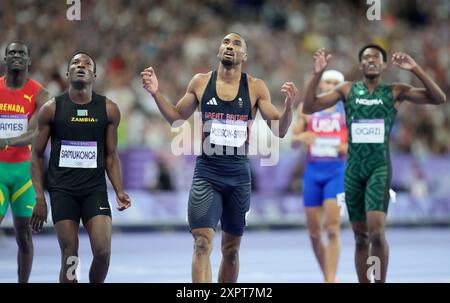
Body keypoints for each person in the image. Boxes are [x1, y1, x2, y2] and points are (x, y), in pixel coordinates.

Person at [141, 32, 298, 283]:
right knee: (202, 243)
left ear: (244, 56)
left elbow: (279, 130)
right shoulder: (201, 82)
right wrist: (156, 93)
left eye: (236, 43)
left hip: (238, 177)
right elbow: (176, 118)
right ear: (218, 50)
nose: (229, 46)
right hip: (207, 174)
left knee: (231, 251)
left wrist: (289, 108)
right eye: (226, 42)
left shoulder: (256, 87)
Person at [302, 45, 446, 283]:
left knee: (377, 233)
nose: (371, 61)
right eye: (366, 58)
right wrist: (317, 74)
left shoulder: (394, 91)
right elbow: (308, 106)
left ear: (384, 65)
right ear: (360, 65)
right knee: (360, 238)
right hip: (353, 171)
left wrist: (415, 69)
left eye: (376, 58)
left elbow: (438, 98)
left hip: (378, 168)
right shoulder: (347, 90)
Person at [30, 52, 131, 283]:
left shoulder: (109, 109)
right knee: (70, 258)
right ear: (68, 74)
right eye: (75, 63)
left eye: (87, 64)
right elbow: (35, 155)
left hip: (94, 191)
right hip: (62, 192)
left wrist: (119, 190)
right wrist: (39, 197)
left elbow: (111, 156)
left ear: (94, 75)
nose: (81, 66)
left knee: (103, 252)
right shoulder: (51, 109)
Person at [0, 41, 50, 283]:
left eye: (21, 53)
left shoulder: (41, 94)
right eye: (12, 53)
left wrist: (6, 141)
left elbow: (35, 132)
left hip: (24, 174)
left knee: (24, 236)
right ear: (5, 59)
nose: (16, 56)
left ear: (29, 61)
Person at [292, 69, 347, 283]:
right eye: (328, 81)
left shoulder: (347, 109)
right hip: (313, 173)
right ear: (320, 85)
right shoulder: (307, 108)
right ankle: (328, 275)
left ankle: (330, 279)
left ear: (342, 88)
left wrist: (347, 146)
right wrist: (302, 136)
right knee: (314, 233)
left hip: (337, 173)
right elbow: (294, 141)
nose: (331, 85)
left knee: (333, 229)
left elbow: (358, 140)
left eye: (336, 82)